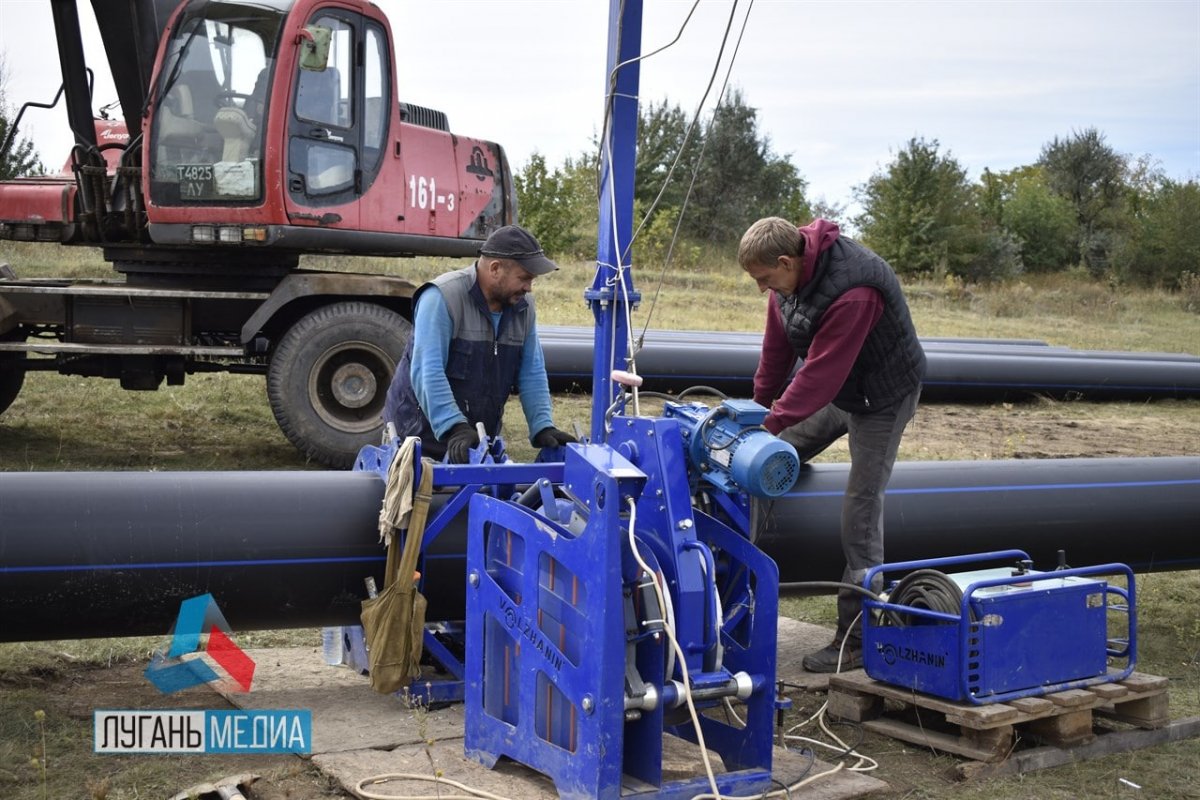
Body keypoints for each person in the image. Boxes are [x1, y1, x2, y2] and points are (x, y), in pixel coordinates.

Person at [738, 216, 925, 673]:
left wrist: (773, 422)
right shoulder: (787, 285)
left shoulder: (855, 287)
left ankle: (856, 639)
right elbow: (776, 353)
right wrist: (754, 417)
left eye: (765, 279)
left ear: (786, 261)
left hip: (881, 397)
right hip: (840, 388)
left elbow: (821, 373)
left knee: (860, 514)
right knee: (754, 460)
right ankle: (738, 602)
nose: (763, 288)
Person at [383, 225, 577, 463]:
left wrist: (543, 426)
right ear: (495, 268)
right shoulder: (442, 298)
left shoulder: (523, 308)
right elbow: (427, 371)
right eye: (524, 278)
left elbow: (532, 372)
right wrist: (454, 426)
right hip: (419, 437)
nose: (529, 287)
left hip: (477, 440)